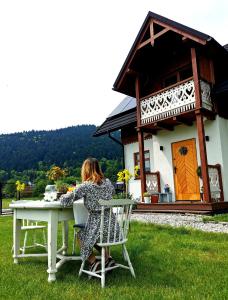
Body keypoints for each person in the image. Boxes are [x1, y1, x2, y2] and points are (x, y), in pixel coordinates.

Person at [59, 157, 117, 272]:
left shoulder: (85, 186)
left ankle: (93, 262)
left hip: (98, 228)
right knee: (95, 233)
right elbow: (112, 193)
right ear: (98, 168)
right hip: (113, 229)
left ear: (85, 170)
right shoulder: (109, 183)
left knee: (81, 234)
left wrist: (63, 194)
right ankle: (107, 258)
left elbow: (65, 201)